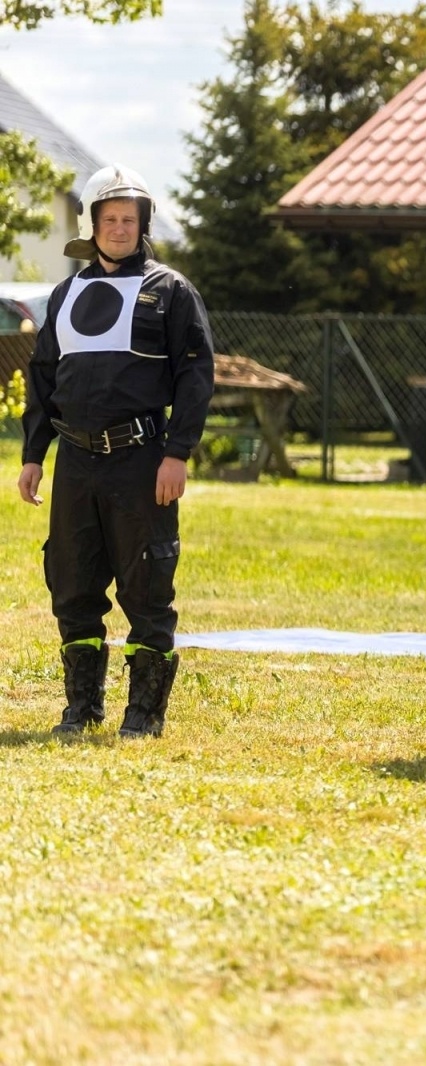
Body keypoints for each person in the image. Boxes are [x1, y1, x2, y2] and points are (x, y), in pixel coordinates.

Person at [16, 165, 214, 739]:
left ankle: (144, 714)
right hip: (76, 462)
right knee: (72, 583)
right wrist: (34, 455)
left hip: (141, 461)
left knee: (147, 583)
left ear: (143, 224)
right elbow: (43, 378)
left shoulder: (170, 291)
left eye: (130, 219)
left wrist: (177, 454)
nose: (120, 228)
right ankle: (82, 708)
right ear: (92, 225)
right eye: (110, 219)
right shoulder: (66, 293)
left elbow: (196, 375)